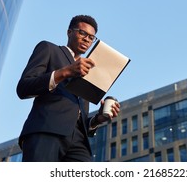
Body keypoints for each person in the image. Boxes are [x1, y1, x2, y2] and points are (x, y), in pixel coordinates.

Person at [16, 15, 120, 161]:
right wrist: (65, 72)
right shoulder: (49, 49)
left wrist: (97, 119)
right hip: (46, 130)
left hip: (79, 141)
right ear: (69, 32)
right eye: (82, 33)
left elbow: (79, 117)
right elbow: (23, 88)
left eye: (91, 38)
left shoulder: (88, 70)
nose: (87, 39)